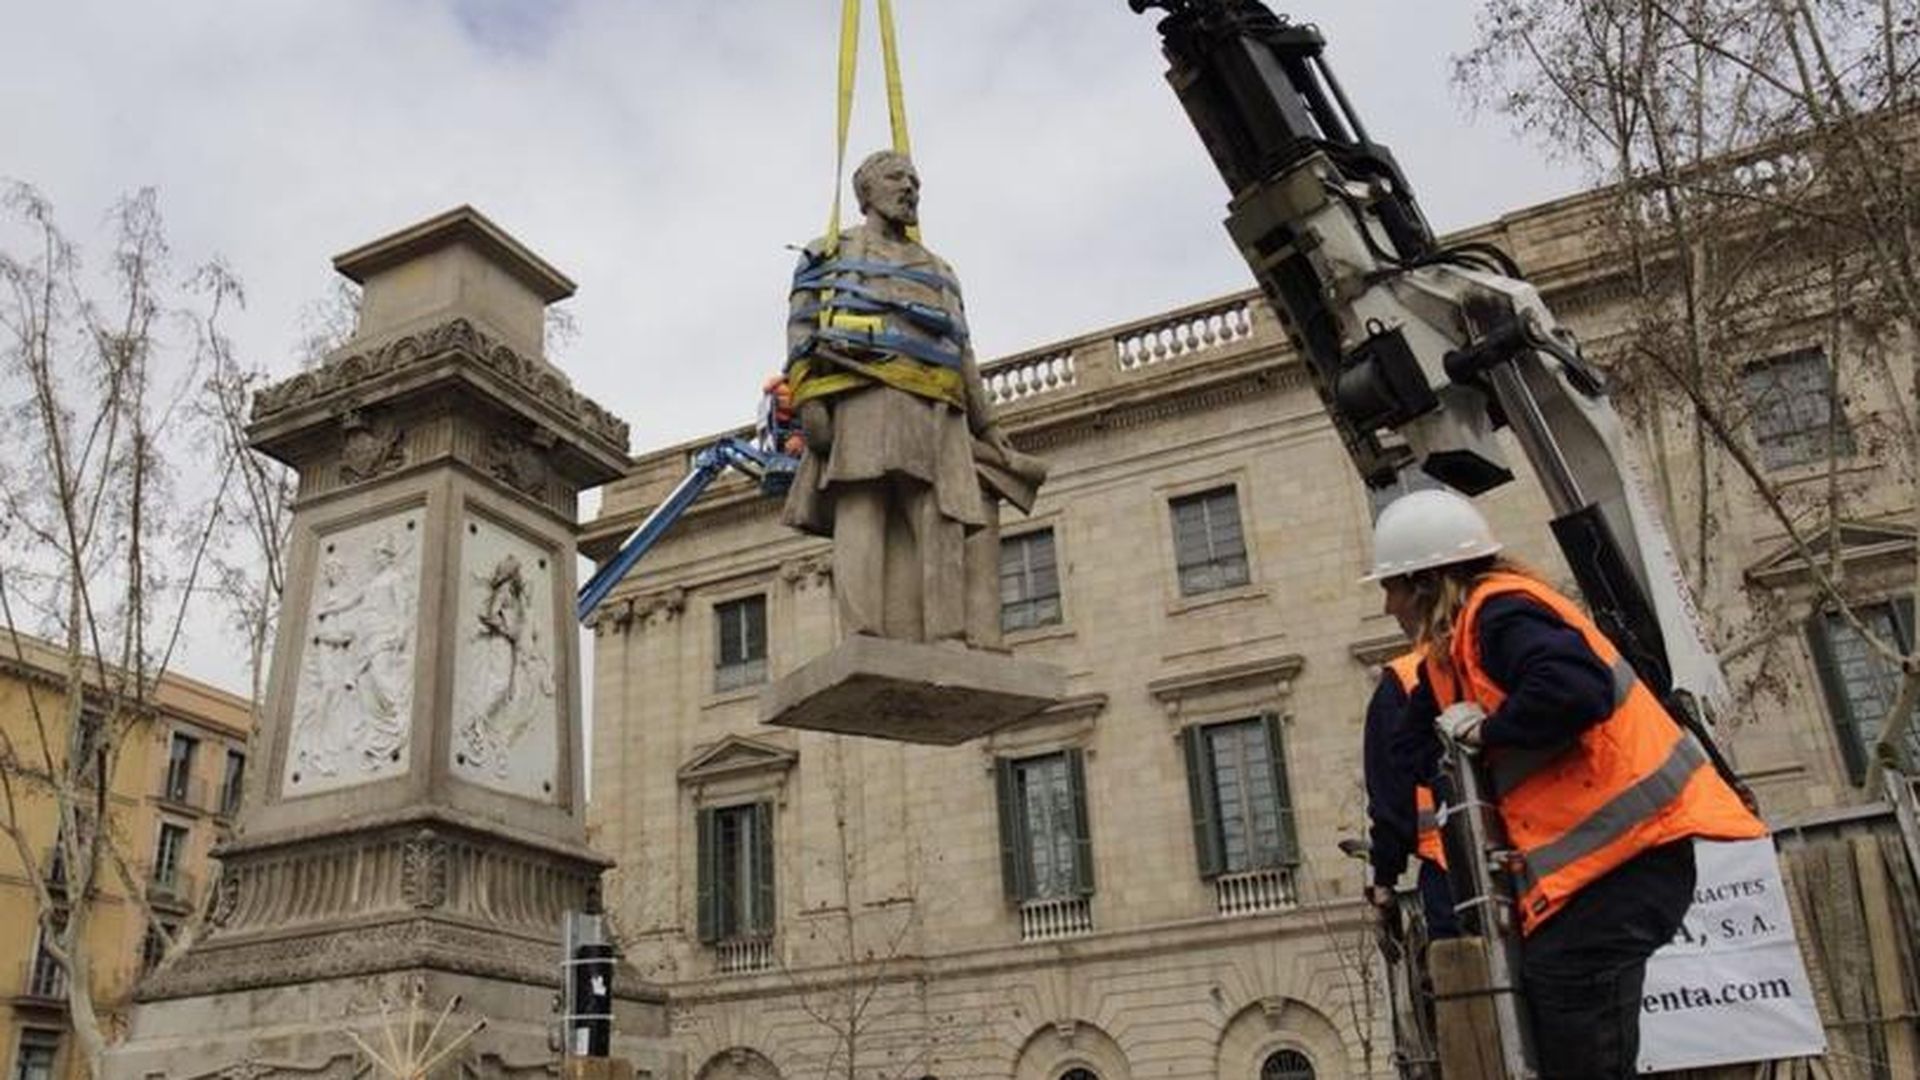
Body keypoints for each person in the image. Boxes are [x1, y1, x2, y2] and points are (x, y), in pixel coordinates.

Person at [1366, 488, 1765, 1079]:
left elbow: (1576, 690)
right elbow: (1407, 754)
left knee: (1575, 1026)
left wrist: (1487, 733)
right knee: (1560, 1026)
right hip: (1603, 873)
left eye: (1391, 587)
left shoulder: (1500, 615)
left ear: (1426, 582)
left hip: (1626, 862)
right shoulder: (1449, 656)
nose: (1387, 607)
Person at [781, 150, 1042, 647]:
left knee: (941, 515)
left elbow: (962, 349)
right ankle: (865, 631)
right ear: (866, 194)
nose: (909, 188)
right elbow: (801, 329)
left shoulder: (940, 269)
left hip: (937, 408)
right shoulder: (828, 252)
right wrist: (810, 400)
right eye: (897, 178)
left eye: (915, 181)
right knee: (862, 506)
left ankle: (948, 632)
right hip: (862, 397)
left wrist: (986, 425)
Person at [1362, 646, 1459, 941]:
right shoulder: (1506, 641)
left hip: (1448, 861)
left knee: (1463, 971)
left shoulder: (1404, 677)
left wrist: (1384, 879)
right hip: (1537, 850)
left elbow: (1391, 792)